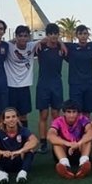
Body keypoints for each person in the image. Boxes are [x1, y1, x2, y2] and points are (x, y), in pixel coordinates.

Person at [35, 23, 66, 153]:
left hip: (57, 85)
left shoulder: (61, 48)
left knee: (56, 114)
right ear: (47, 35)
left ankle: (56, 140)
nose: (53, 36)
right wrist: (40, 41)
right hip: (43, 85)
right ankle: (43, 143)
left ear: (58, 35)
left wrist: (61, 43)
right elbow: (19, 44)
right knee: (43, 114)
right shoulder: (40, 47)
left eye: (56, 33)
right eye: (51, 34)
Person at [0, 107, 39, 184]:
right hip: (3, 162)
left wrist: (20, 151)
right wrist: (1, 152)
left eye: (13, 116)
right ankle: (1, 174)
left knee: (29, 147)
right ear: (4, 120)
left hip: (18, 161)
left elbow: (35, 141)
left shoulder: (23, 130)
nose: (11, 119)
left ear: (17, 118)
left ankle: (22, 173)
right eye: (8, 117)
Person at [47, 99, 92, 179]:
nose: (71, 115)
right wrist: (69, 144)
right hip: (64, 152)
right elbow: (50, 136)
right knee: (56, 141)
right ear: (64, 113)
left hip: (79, 150)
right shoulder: (58, 121)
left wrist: (78, 143)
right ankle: (65, 165)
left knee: (87, 139)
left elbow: (91, 132)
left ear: (78, 113)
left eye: (74, 112)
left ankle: (83, 164)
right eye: (69, 112)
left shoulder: (83, 119)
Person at [4, 25, 37, 129]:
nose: (23, 38)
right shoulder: (8, 46)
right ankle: (10, 136)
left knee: (23, 115)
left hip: (24, 86)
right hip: (10, 86)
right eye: (20, 36)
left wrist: (61, 44)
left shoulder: (32, 45)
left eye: (25, 36)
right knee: (10, 115)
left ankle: (24, 135)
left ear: (29, 37)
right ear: (16, 36)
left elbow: (47, 39)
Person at [65, 25, 92, 118]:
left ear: (88, 35)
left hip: (89, 84)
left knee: (87, 112)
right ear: (76, 35)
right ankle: (77, 128)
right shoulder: (70, 47)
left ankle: (87, 127)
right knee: (76, 111)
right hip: (75, 85)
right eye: (80, 34)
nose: (83, 36)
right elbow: (57, 42)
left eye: (85, 33)